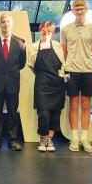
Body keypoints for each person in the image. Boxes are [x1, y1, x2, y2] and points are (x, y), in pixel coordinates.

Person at [60, 0, 92, 153]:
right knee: (74, 104)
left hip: (88, 71)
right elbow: (64, 51)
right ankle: (74, 138)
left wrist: (87, 60)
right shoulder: (66, 29)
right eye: (76, 8)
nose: (79, 11)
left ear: (86, 10)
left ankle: (84, 138)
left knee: (85, 105)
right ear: (72, 10)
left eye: (82, 8)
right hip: (71, 71)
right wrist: (72, 63)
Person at [0, 13, 26, 151]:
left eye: (8, 22)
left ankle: (13, 140)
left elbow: (22, 63)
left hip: (13, 82)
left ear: (11, 24)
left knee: (13, 112)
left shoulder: (20, 42)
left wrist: (9, 73)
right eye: (3, 22)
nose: (5, 24)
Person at [28, 21, 66, 152]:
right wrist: (42, 76)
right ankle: (43, 138)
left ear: (52, 32)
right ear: (40, 31)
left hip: (57, 84)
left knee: (55, 113)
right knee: (43, 113)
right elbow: (31, 66)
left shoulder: (57, 46)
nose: (46, 33)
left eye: (49, 31)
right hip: (42, 84)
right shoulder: (33, 47)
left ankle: (50, 138)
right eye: (43, 31)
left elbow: (63, 64)